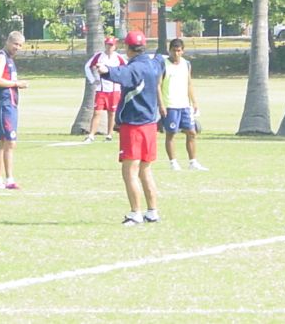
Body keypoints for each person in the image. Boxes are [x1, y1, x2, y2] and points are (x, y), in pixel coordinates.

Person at [97, 30, 165, 226]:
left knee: (130, 171)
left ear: (127, 48)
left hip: (134, 125)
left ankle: (135, 213)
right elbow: (161, 59)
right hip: (150, 124)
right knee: (146, 170)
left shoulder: (135, 68)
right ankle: (152, 211)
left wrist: (105, 70)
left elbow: (121, 74)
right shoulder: (154, 63)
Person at [156, 38, 209, 171]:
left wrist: (194, 101)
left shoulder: (186, 64)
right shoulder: (163, 64)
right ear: (169, 51)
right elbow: (158, 85)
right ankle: (173, 162)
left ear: (183, 51)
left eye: (179, 51)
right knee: (171, 133)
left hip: (184, 105)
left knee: (191, 132)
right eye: (174, 50)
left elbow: (189, 83)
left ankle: (193, 162)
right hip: (170, 105)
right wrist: (161, 104)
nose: (176, 53)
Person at [0, 31, 29, 189]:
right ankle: (9, 179)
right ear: (8, 42)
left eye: (20, 46)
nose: (17, 48)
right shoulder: (1, 57)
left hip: (10, 103)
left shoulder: (10, 59)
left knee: (5, 141)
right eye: (16, 44)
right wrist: (17, 83)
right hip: (3, 103)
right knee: (10, 141)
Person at [83, 36, 127, 143]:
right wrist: (93, 80)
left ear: (115, 46)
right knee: (97, 112)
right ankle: (91, 135)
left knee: (112, 113)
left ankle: (109, 135)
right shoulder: (99, 56)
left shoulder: (118, 57)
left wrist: (121, 80)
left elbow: (127, 68)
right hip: (101, 89)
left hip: (114, 90)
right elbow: (87, 66)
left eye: (111, 45)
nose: (109, 47)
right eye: (107, 44)